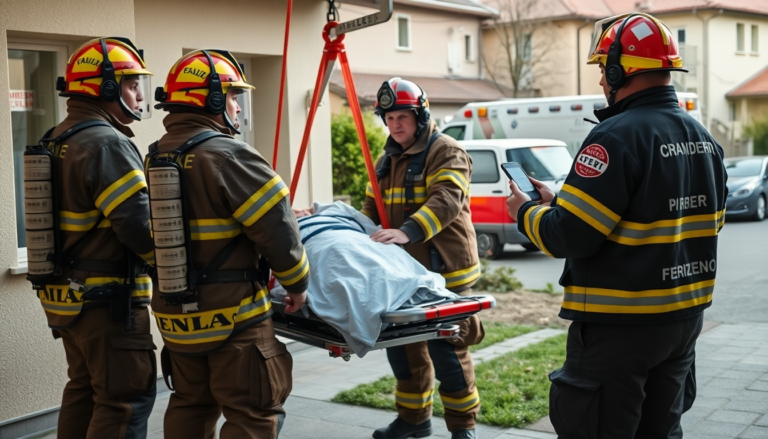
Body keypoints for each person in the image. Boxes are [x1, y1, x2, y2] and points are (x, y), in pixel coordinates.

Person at [506, 13, 728, 438]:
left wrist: (526, 211)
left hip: (620, 329)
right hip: (682, 322)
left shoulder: (614, 137)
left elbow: (566, 235)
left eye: (602, 72)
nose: (601, 84)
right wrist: (562, 204)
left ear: (616, 69)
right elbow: (706, 222)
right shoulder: (704, 139)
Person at [150, 49, 309, 439]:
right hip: (234, 316)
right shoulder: (229, 154)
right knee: (253, 413)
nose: (238, 108)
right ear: (215, 100)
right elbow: (279, 230)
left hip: (177, 318)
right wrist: (297, 285)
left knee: (191, 404)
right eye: (234, 97)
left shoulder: (156, 155)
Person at [31, 37, 157, 438]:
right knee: (124, 400)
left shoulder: (57, 137)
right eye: (132, 84)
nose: (140, 94)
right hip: (109, 302)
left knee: (84, 391)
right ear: (105, 88)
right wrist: (179, 269)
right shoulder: (108, 143)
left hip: (70, 301)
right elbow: (141, 228)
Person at [363, 77, 484, 439]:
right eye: (389, 117)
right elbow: (372, 207)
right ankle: (414, 422)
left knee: (448, 348)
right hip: (403, 273)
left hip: (445, 270)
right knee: (402, 349)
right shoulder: (386, 159)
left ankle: (464, 427)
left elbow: (446, 200)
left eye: (403, 116)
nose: (395, 124)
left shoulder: (446, 150)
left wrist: (407, 232)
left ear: (421, 115)